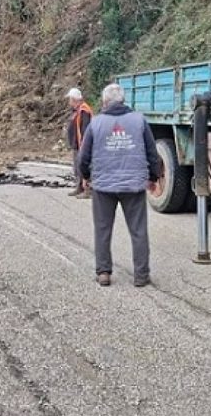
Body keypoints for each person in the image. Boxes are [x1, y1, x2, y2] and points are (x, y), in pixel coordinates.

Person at [78, 83, 161, 288]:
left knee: (103, 229)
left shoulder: (96, 123)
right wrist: (153, 177)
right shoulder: (139, 120)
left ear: (105, 102)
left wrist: (87, 176)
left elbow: (83, 157)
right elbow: (152, 153)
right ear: (123, 101)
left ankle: (104, 272)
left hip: (103, 186)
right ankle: (141, 275)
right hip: (133, 186)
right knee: (139, 231)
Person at [65, 88, 93, 198]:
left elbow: (85, 130)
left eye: (70, 100)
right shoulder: (78, 110)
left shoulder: (84, 111)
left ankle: (87, 190)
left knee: (83, 167)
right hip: (76, 144)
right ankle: (79, 187)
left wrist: (84, 146)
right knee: (77, 167)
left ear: (74, 99)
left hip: (82, 145)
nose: (69, 102)